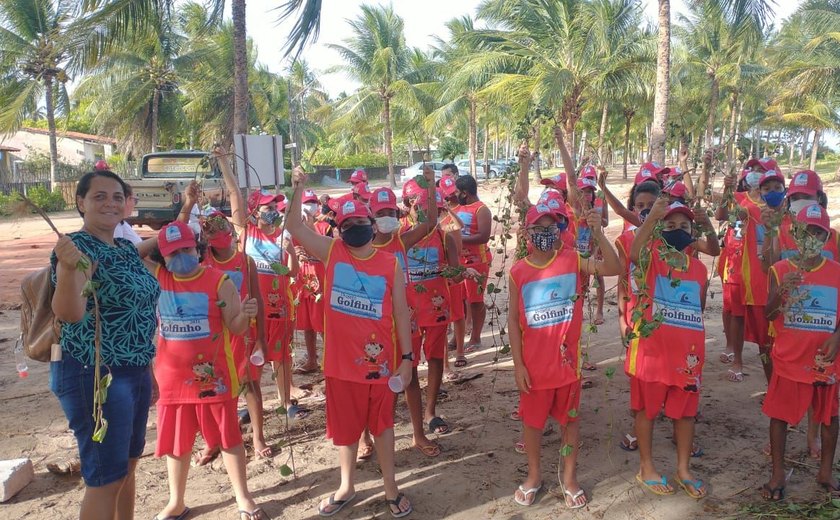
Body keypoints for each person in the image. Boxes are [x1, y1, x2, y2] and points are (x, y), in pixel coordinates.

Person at [285, 167, 414, 518]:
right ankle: (346, 486)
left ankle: (391, 487)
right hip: (340, 367)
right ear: (339, 231)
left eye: (360, 222)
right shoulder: (333, 253)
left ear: (372, 225)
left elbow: (401, 313)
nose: (355, 229)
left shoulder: (390, 264)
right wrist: (297, 187)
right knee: (345, 432)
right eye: (347, 225)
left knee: (384, 426)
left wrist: (407, 357)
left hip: (382, 366)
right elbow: (294, 227)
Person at [50, 169, 160, 519]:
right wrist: (68, 270)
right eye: (99, 196)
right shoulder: (77, 249)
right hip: (95, 373)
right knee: (105, 478)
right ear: (81, 202)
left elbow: (140, 315)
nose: (110, 203)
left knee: (126, 467)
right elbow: (69, 312)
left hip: (135, 371)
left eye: (116, 197)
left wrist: (149, 373)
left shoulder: (126, 249)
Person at [151, 220, 268, 520]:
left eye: (187, 248)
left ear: (199, 248)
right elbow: (129, 254)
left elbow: (236, 327)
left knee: (229, 438)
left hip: (214, 378)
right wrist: (159, 241)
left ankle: (243, 497)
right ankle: (176, 501)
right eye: (172, 252)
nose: (181, 257)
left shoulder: (219, 281)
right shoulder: (159, 276)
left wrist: (246, 315)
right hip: (172, 379)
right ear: (162, 256)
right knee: (178, 444)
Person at [509, 203, 621, 509]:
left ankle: (569, 479)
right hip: (533, 369)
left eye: (552, 228)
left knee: (570, 423)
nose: (545, 234)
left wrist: (597, 233)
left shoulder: (573, 261)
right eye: (538, 229)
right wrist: (518, 365)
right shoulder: (518, 272)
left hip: (568, 368)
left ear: (561, 231)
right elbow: (512, 322)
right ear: (527, 233)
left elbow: (614, 268)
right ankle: (534, 476)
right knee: (532, 425)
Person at [177, 148, 272, 461]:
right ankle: (213, 440)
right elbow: (174, 234)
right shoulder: (201, 262)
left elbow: (257, 301)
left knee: (250, 386)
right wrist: (188, 203)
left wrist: (260, 342)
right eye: (217, 242)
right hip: (215, 336)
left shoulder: (245, 262)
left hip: (243, 333)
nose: (225, 243)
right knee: (213, 392)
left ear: (234, 233)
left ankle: (257, 438)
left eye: (228, 237)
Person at [627, 198, 709, 499]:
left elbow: (697, 312)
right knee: (647, 411)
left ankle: (684, 469)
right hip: (651, 355)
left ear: (692, 232)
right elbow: (634, 252)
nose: (677, 231)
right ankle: (646, 467)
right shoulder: (650, 259)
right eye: (669, 226)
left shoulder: (699, 270)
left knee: (685, 415)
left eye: (684, 226)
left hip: (687, 358)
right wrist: (652, 220)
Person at [761, 203, 840, 501]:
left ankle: (825, 472)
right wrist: (781, 292)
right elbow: (768, 314)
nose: (813, 237)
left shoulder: (836, 273)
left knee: (830, 418)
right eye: (807, 231)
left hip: (825, 362)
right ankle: (777, 474)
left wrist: (838, 338)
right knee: (780, 417)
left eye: (819, 232)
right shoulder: (781, 270)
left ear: (827, 236)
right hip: (789, 360)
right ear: (795, 233)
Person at [243, 189, 306, 418]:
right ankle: (252, 403)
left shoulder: (283, 236)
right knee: (253, 358)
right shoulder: (246, 233)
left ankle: (286, 402)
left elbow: (293, 272)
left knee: (281, 358)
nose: (273, 212)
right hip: (252, 311)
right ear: (254, 212)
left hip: (279, 308)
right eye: (268, 208)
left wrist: (289, 258)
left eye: (275, 208)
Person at [454, 174, 493, 353]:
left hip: (478, 261)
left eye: (457, 191)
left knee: (475, 301)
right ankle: (458, 337)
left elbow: (484, 236)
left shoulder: (481, 209)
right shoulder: (459, 208)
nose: (455, 194)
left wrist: (459, 239)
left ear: (465, 192)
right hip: (460, 261)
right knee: (460, 300)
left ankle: (476, 337)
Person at [293, 188, 329, 374]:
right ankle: (312, 359)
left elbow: (328, 249)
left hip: (320, 281)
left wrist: (311, 227)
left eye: (312, 202)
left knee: (322, 324)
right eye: (305, 203)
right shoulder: (294, 229)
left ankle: (329, 363)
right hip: (303, 280)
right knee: (307, 324)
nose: (308, 207)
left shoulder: (326, 227)